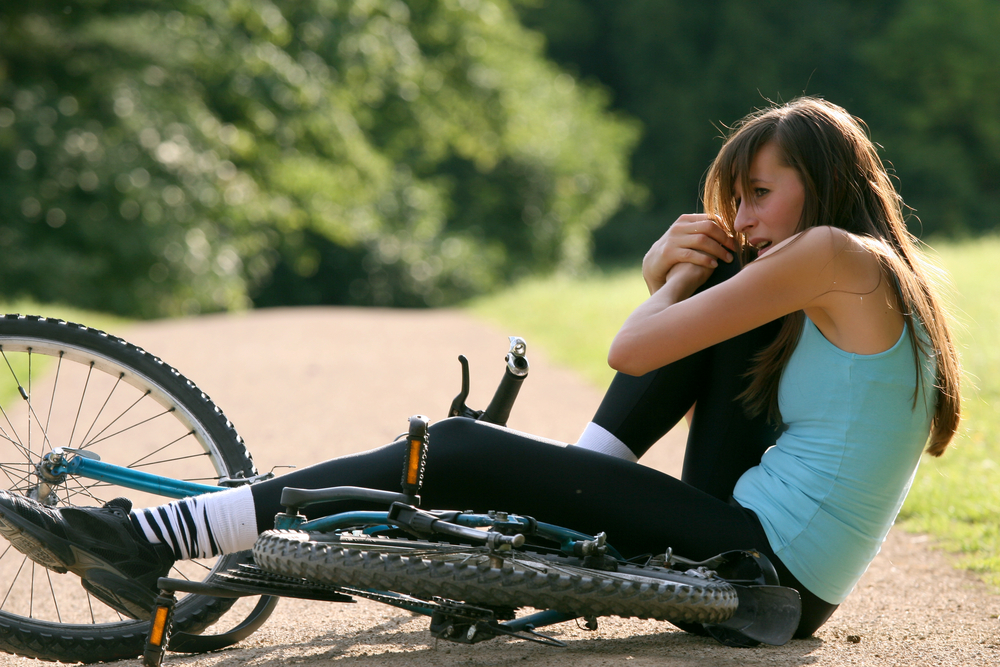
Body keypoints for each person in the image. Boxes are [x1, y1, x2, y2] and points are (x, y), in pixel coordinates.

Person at [0, 97, 960, 640]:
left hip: (769, 573)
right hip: (778, 562)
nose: (743, 217)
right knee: (712, 321)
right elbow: (675, 345)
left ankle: (160, 532)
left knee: (456, 445)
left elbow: (635, 347)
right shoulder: (870, 272)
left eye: (758, 193)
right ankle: (545, 511)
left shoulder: (831, 253)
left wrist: (662, 277)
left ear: (823, 183)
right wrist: (679, 280)